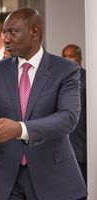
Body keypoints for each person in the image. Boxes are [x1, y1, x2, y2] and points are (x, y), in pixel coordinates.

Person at [0, 8, 87, 200]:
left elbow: (67, 118)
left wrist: (20, 129)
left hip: (52, 176)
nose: (6, 39)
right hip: (5, 180)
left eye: (13, 32)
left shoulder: (65, 70)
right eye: (5, 33)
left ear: (35, 32)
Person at [62, 44, 87, 185]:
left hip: (82, 148)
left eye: (71, 56)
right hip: (63, 149)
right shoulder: (59, 80)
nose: (68, 59)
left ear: (80, 58)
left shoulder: (89, 81)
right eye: (64, 56)